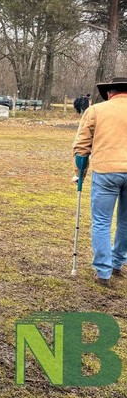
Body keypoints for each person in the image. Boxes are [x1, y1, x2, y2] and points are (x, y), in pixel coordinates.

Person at [72, 77, 127, 287]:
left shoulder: (96, 111)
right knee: (125, 221)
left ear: (110, 93)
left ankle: (103, 271)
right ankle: (117, 263)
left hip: (106, 171)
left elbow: (81, 147)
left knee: (102, 221)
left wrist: (80, 173)